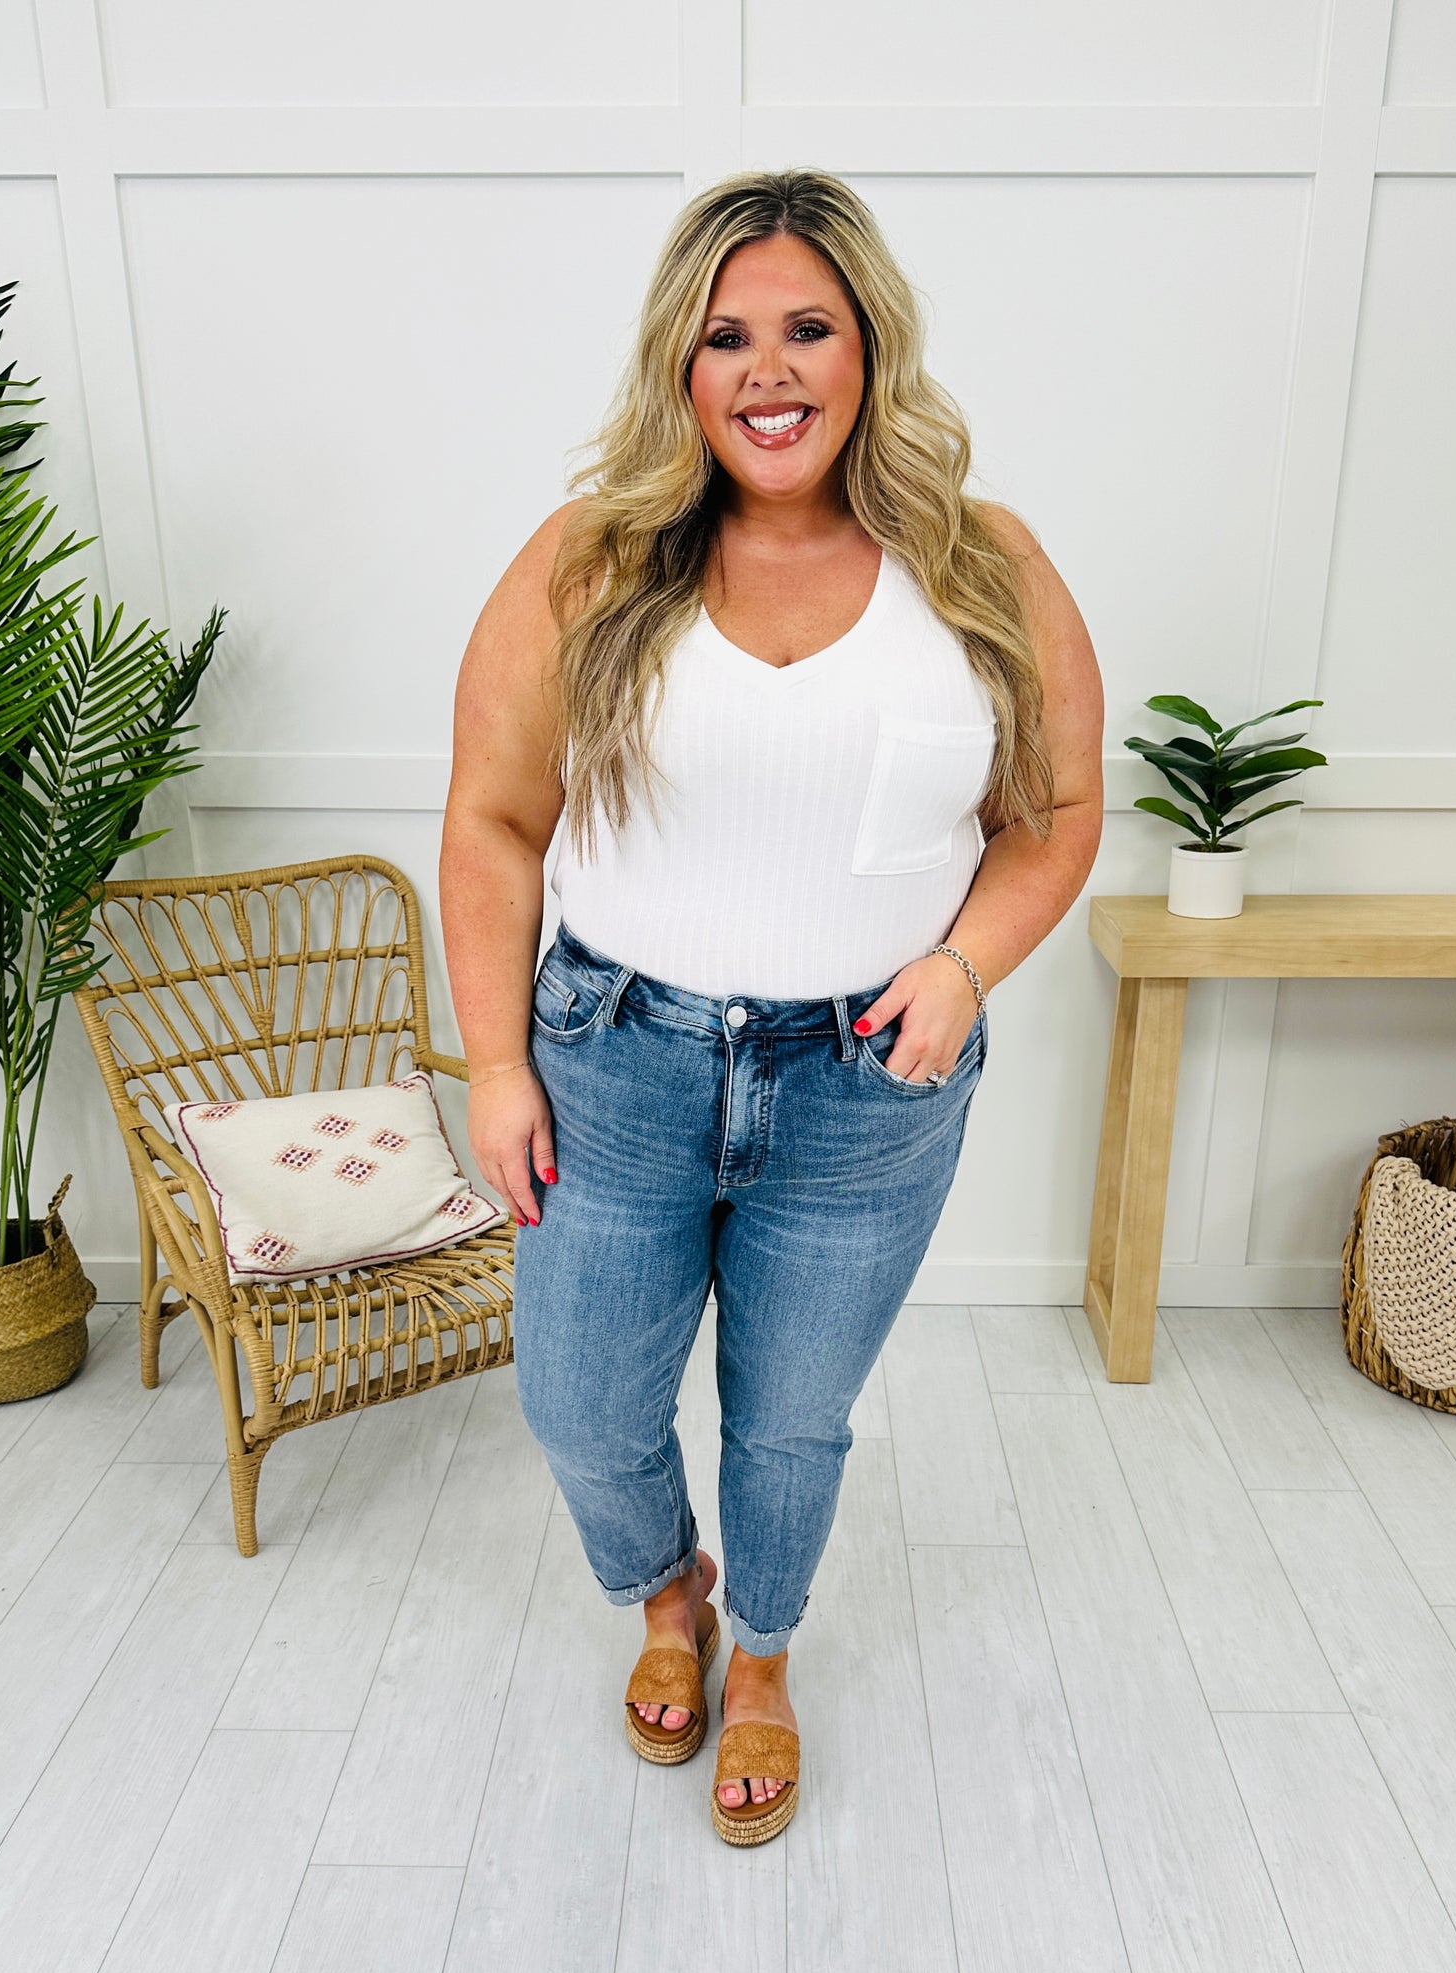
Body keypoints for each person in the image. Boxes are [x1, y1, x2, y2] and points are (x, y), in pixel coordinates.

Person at [439, 167, 1104, 1846]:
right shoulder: (591, 561)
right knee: (580, 1405)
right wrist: (498, 1060)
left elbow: (1055, 812)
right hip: (614, 1063)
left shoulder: (983, 566)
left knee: (793, 1418)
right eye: (727, 336)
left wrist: (962, 965)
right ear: (681, 362)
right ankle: (668, 1591)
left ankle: (763, 1658)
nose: (769, 369)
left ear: (870, 346)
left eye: (808, 327)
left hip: (869, 1082)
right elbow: (495, 819)